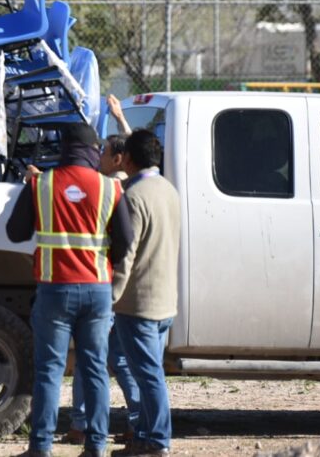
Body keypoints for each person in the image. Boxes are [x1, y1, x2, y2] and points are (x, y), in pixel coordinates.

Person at [7, 123, 133, 457]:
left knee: (50, 369)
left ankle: (41, 447)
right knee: (94, 369)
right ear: (93, 150)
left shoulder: (41, 184)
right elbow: (125, 242)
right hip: (97, 291)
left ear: (63, 148)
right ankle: (97, 446)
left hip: (54, 290)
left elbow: (15, 232)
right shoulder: (110, 189)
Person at [66, 132, 142, 447]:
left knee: (99, 359)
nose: (99, 158)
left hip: (109, 288)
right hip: (112, 288)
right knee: (114, 359)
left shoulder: (115, 188)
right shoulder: (121, 185)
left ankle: (85, 425)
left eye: (104, 152)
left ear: (118, 158)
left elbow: (121, 243)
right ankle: (135, 422)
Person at [111, 129, 181, 456]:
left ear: (127, 158)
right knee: (148, 373)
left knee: (148, 375)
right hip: (165, 300)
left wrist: (112, 295)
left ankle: (156, 441)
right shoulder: (168, 190)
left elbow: (126, 252)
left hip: (138, 303)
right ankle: (144, 436)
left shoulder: (134, 196)